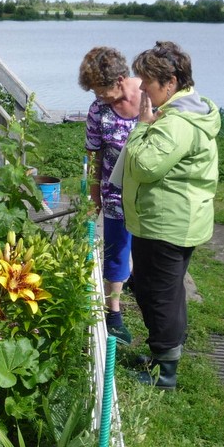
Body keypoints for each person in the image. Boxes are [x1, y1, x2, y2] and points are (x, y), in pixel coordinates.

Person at [122, 41, 220, 389]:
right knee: (165, 291)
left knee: (158, 295)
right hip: (175, 219)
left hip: (166, 223)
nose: (143, 89)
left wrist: (141, 127)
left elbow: (147, 166)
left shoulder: (176, 122)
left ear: (171, 82)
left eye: (147, 81)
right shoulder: (189, 112)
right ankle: (163, 355)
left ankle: (165, 373)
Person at [79, 47, 141, 343]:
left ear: (120, 79)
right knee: (116, 250)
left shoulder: (150, 96)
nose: (97, 97)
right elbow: (94, 156)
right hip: (114, 191)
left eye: (101, 90)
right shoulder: (97, 111)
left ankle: (147, 299)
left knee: (148, 249)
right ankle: (113, 312)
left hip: (148, 191)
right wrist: (95, 196)